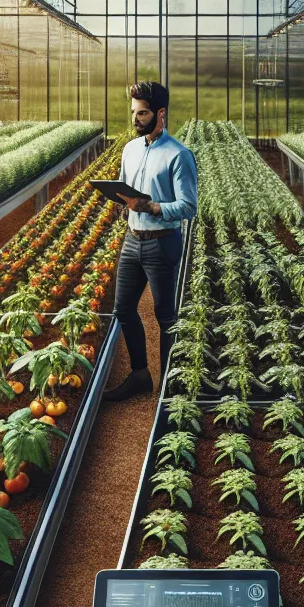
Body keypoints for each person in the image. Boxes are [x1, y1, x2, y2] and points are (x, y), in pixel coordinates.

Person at [103, 81, 198, 401]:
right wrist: (121, 202)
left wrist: (152, 207)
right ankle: (141, 375)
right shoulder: (130, 149)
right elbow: (127, 191)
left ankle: (170, 386)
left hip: (162, 242)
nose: (136, 119)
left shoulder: (179, 155)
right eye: (133, 112)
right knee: (123, 310)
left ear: (161, 113)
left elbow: (189, 206)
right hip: (132, 241)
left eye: (142, 113)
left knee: (165, 315)